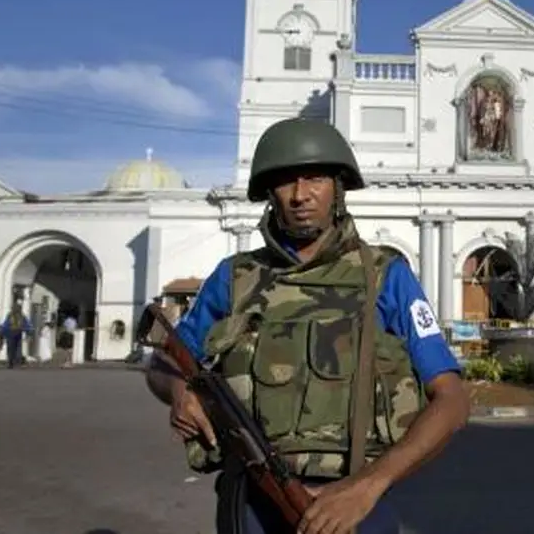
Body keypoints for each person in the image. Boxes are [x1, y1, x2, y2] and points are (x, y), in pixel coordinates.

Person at [144, 118, 470, 534]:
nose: (300, 195)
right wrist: (178, 391)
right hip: (253, 503)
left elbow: (453, 400)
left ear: (338, 187)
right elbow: (164, 362)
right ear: (269, 195)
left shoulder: (384, 276)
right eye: (284, 182)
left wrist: (368, 486)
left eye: (314, 178)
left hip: (356, 506)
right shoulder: (235, 278)